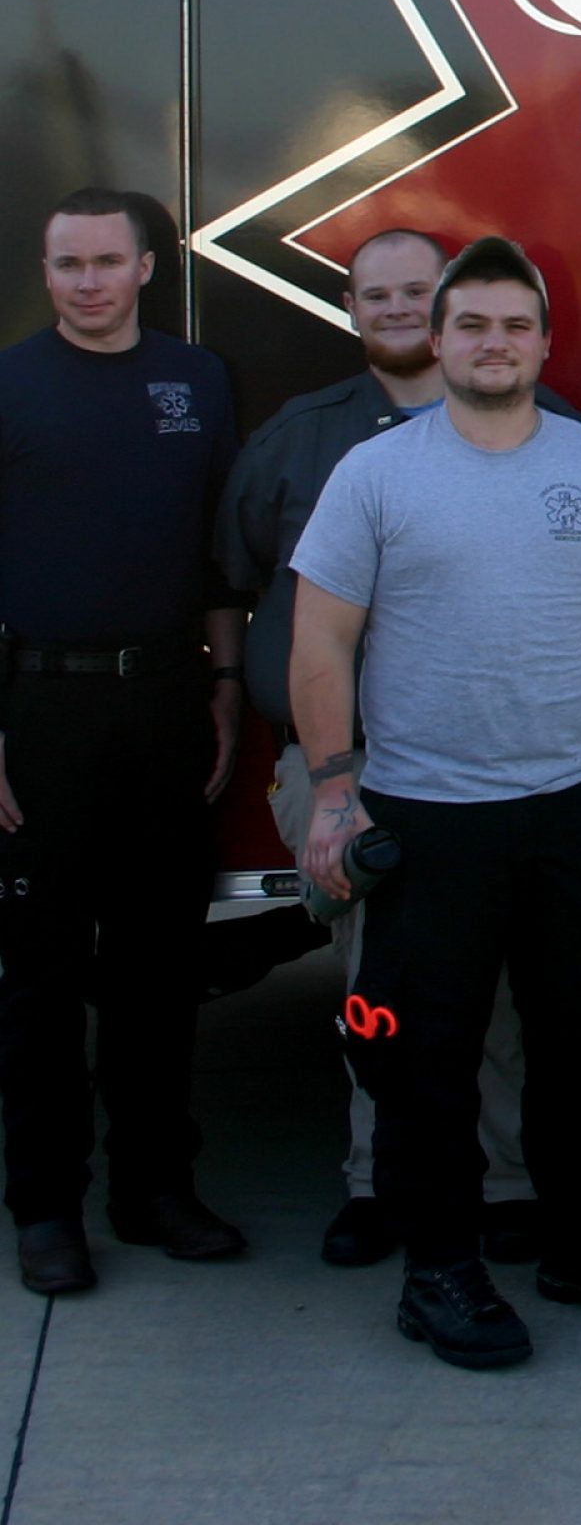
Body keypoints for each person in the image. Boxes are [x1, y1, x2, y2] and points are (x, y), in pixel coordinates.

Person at [290, 236, 581, 1369]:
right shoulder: (376, 473)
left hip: (577, 812)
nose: (493, 343)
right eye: (472, 324)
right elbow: (323, 632)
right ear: (438, 336)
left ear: (545, 342)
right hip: (424, 815)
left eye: (516, 325)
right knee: (426, 1062)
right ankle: (442, 1272)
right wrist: (334, 790)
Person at [219, 226, 569, 1269]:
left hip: (490, 762)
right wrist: (254, 708)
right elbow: (237, 579)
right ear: (351, 308)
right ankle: (378, 1181)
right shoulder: (299, 435)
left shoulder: (543, 433)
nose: (395, 309)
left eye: (418, 291)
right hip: (348, 762)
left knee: (493, 979)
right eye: (375, 294)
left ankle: (503, 1181)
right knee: (374, 978)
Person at [0, 188, 247, 1298]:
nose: (86, 280)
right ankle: (47, 1208)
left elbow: (216, 558)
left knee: (160, 970)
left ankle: (155, 1191)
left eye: (107, 260)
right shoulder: (9, 383)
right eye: (67, 262)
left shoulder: (195, 383)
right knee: (41, 979)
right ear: (45, 270)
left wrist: (228, 687)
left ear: (148, 267)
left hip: (164, 704)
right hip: (40, 708)